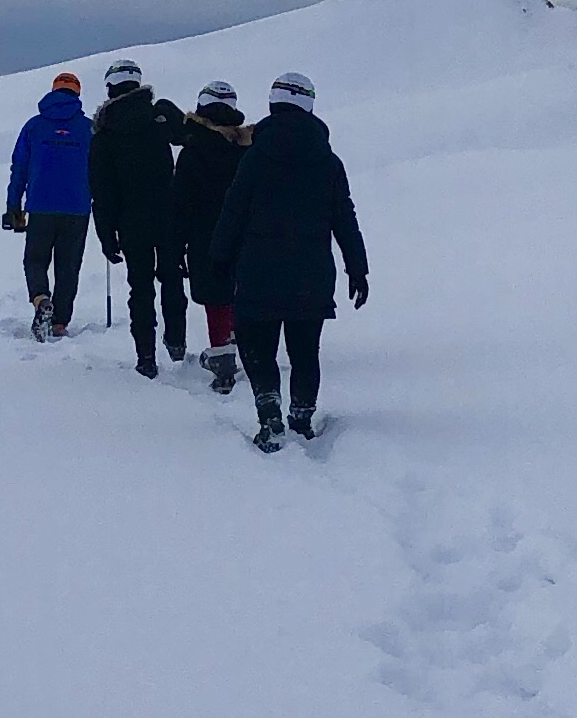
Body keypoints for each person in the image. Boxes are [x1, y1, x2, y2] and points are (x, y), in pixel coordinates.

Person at [198, 67, 371, 449]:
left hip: (258, 272)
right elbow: (345, 219)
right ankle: (302, 417)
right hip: (312, 274)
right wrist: (357, 268)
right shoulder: (328, 162)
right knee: (305, 350)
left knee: (258, 347)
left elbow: (233, 211)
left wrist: (218, 259)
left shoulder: (255, 158)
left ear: (273, 105)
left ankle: (269, 411)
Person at [87, 59, 183, 375]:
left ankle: (146, 357)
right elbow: (186, 135)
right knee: (171, 278)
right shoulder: (159, 117)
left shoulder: (104, 133)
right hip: (168, 215)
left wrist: (106, 235)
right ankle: (177, 342)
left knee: (140, 288)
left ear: (111, 87)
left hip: (131, 221)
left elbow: (102, 191)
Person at [167, 83, 254, 391]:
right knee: (241, 294)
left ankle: (222, 355)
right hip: (245, 236)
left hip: (204, 237)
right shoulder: (247, 149)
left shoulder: (192, 151)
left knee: (215, 299)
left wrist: (175, 248)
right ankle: (248, 352)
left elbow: (180, 206)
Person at [1, 71, 97, 338]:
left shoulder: (34, 126)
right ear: (77, 94)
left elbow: (19, 168)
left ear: (53, 92)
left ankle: (41, 299)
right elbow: (100, 169)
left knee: (35, 259)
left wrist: (13, 205)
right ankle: (59, 322)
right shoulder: (89, 129)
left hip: (40, 206)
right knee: (68, 266)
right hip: (77, 208)